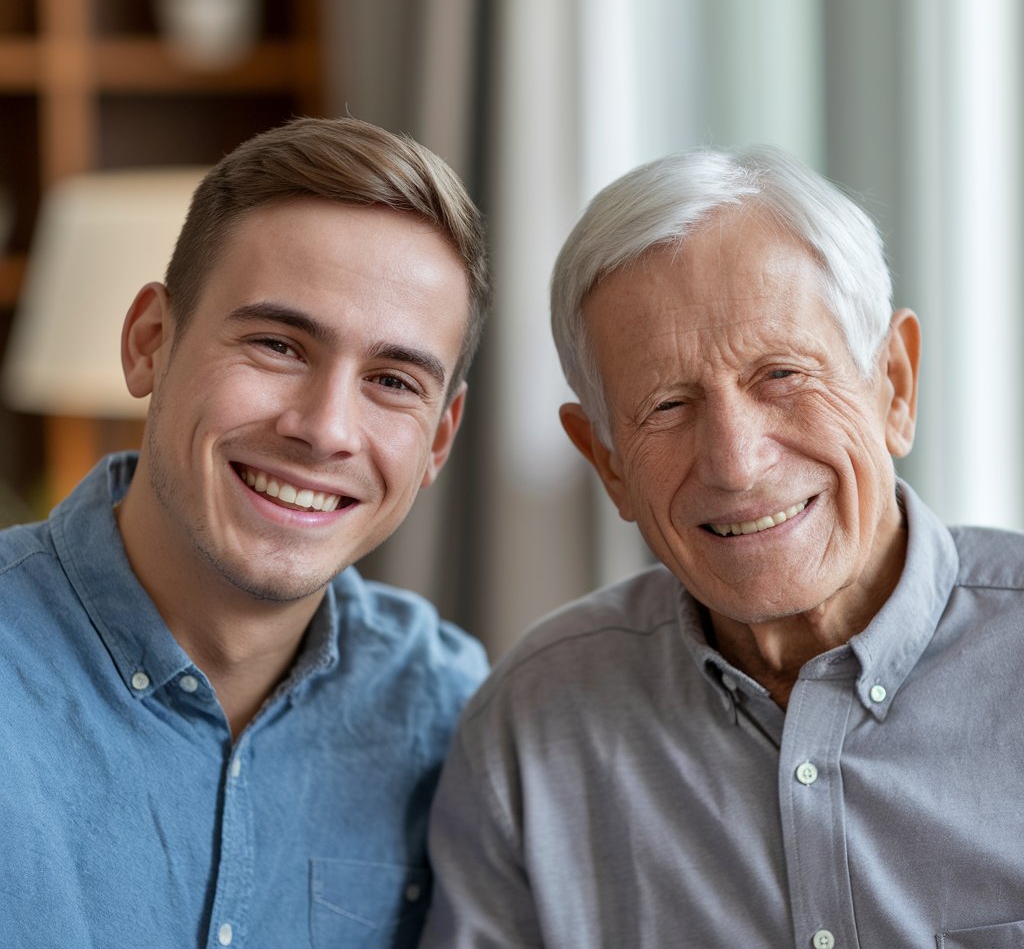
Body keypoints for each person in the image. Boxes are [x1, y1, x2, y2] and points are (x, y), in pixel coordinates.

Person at [422, 145, 1024, 948]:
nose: (736, 464)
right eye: (667, 405)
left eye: (782, 375)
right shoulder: (532, 728)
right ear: (606, 462)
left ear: (896, 387)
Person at [0, 117, 491, 947]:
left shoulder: (452, 714)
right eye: (277, 344)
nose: (326, 429)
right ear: (150, 343)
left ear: (439, 440)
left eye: (393, 381)